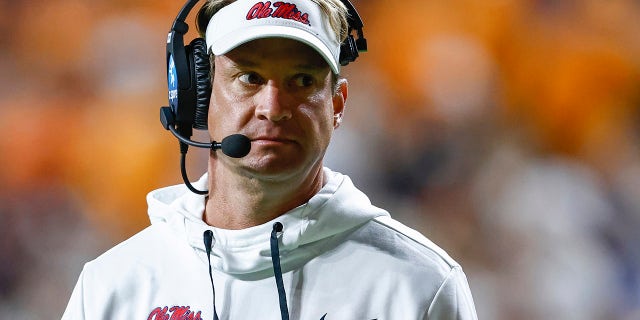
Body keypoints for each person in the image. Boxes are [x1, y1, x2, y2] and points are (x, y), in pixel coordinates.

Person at [62, 0, 478, 319]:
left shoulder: (420, 286)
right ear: (198, 95)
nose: (273, 106)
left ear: (337, 103)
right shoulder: (112, 285)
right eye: (249, 77)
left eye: (302, 80)